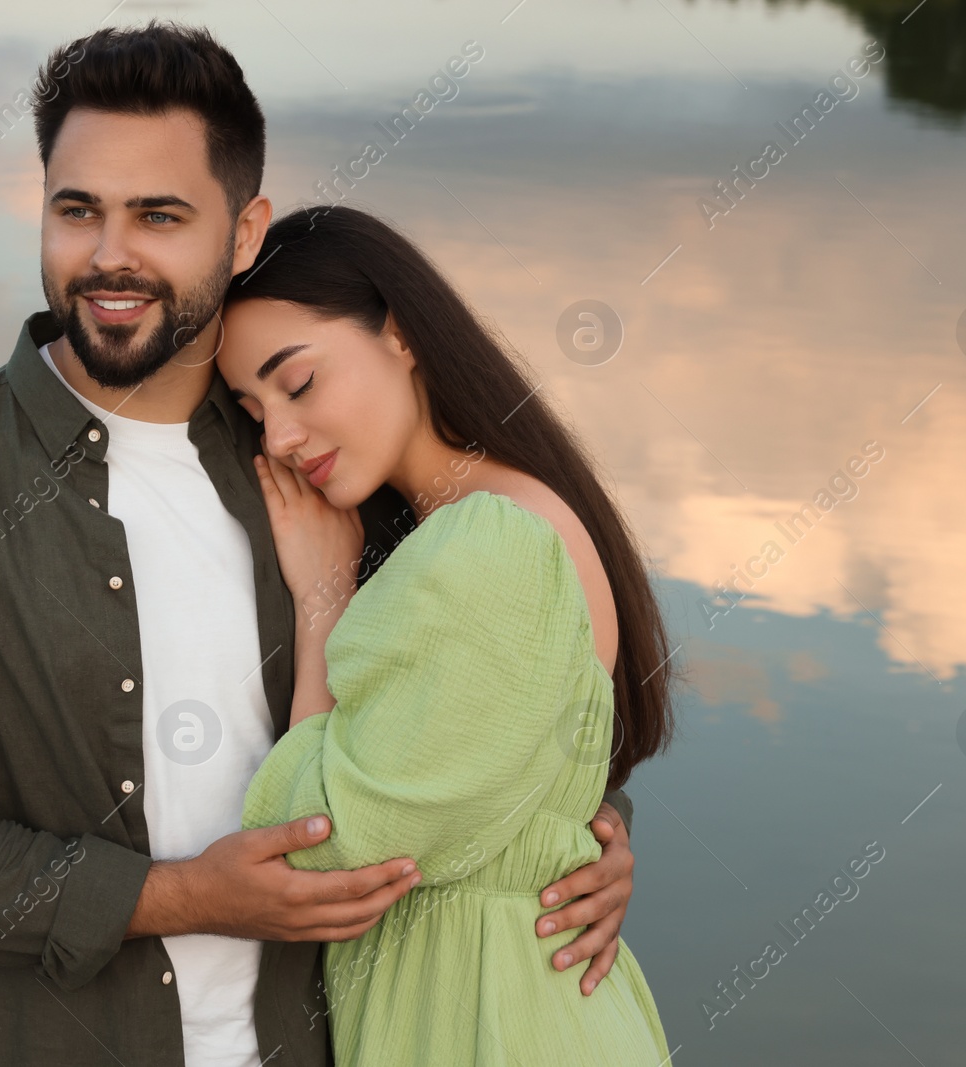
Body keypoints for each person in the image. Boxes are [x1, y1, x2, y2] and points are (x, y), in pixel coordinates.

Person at [0, 23, 643, 1067]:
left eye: (158, 214)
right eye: (78, 210)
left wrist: (582, 834)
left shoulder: (328, 477)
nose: (111, 253)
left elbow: (467, 702)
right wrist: (177, 895)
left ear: (244, 232)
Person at [220, 205, 678, 1065]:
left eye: (300, 382)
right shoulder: (472, 526)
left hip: (498, 1029)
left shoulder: (488, 545)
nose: (279, 436)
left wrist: (322, 602)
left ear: (399, 334)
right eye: (253, 410)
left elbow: (316, 851)